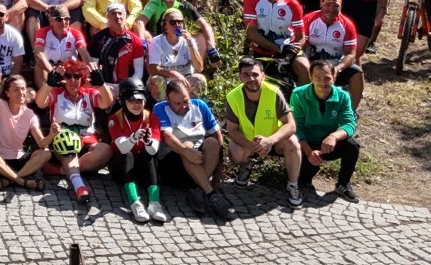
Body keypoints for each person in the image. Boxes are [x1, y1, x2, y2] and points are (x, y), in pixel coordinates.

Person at [220, 56, 302, 207]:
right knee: (235, 151)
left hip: (275, 141)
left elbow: (291, 125)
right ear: (239, 76)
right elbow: (232, 130)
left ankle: (293, 185)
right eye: (246, 75)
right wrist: (254, 146)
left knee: (293, 143)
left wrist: (270, 141)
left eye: (255, 74)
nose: (251, 79)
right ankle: (247, 166)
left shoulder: (274, 92)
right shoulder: (232, 97)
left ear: (263, 75)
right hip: (249, 143)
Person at [152, 78, 235, 220]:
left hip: (199, 162)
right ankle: (210, 194)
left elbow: (217, 136)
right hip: (173, 164)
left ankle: (197, 191)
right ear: (168, 100)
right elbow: (167, 137)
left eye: (186, 101)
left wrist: (218, 170)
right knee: (187, 145)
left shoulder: (200, 106)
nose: (183, 106)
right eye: (178, 103)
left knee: (212, 143)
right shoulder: (160, 108)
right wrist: (185, 151)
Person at [36, 58, 114, 203]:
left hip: (87, 140)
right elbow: (40, 102)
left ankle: (60, 170)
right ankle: (79, 187)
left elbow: (106, 102)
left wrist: (101, 84)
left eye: (76, 76)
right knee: (69, 143)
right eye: (68, 76)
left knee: (106, 150)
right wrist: (49, 84)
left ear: (82, 78)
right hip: (63, 140)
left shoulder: (89, 94)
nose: (73, 80)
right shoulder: (56, 93)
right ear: (63, 79)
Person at [289, 58, 361, 201]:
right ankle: (304, 179)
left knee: (352, 145)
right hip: (306, 144)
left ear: (334, 77)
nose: (323, 83)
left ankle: (343, 183)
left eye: (327, 78)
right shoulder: (298, 94)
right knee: (306, 171)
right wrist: (309, 151)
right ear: (310, 78)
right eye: (317, 78)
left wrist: (334, 136)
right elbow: (296, 126)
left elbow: (349, 124)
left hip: (328, 145)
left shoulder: (343, 96)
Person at [107, 77, 169, 223]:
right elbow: (122, 147)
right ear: (123, 101)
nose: (136, 104)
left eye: (139, 101)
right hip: (121, 167)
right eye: (132, 100)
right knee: (127, 155)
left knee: (149, 156)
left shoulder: (151, 118)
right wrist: (134, 138)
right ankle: (135, 202)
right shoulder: (114, 119)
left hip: (141, 166)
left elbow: (153, 150)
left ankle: (154, 203)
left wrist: (147, 141)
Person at [0, 73, 52, 190]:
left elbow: (42, 143)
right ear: (8, 93)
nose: (21, 93)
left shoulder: (29, 114)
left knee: (46, 153)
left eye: (23, 89)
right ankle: (21, 181)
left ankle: (8, 180)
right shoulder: (0, 107)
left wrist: (52, 134)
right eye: (16, 89)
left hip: (19, 160)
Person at [298, 0, 366, 109]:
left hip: (335, 64)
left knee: (357, 72)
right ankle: (304, 106)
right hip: (311, 63)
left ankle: (351, 111)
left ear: (341, 7)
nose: (331, 9)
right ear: (321, 4)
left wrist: (338, 69)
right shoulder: (309, 19)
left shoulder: (347, 24)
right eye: (328, 5)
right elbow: (301, 45)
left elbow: (351, 54)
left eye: (336, 6)